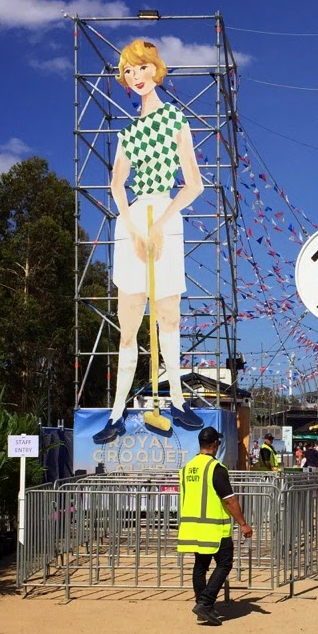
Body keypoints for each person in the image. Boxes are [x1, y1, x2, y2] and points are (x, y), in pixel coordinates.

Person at [94, 39, 204, 445]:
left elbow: (193, 184)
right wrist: (134, 227)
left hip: (166, 216)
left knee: (168, 317)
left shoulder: (175, 120)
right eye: (129, 71)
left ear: (156, 70)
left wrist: (161, 223)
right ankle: (117, 412)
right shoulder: (128, 133)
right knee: (129, 323)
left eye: (142, 68)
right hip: (133, 222)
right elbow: (116, 184)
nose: (136, 76)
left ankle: (176, 399)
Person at [177, 426, 253, 625]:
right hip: (214, 528)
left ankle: (202, 605)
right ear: (215, 444)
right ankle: (205, 602)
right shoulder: (216, 468)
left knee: (200, 566)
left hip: (193, 527)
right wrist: (243, 524)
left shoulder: (187, 468)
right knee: (225, 563)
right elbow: (230, 500)